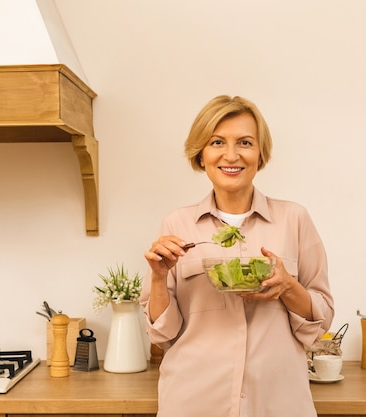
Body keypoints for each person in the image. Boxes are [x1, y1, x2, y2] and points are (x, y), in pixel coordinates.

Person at [141, 95, 334, 417]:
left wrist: (288, 287)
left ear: (260, 154)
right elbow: (163, 334)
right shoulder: (177, 224)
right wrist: (159, 277)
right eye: (217, 142)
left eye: (245, 142)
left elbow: (321, 320)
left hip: (279, 402)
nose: (231, 155)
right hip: (194, 401)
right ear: (201, 155)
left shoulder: (295, 219)